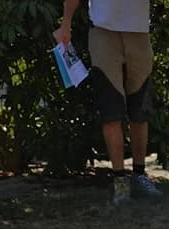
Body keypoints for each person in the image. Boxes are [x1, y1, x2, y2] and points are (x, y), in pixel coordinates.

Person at [54, 0, 162, 203]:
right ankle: (120, 181)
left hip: (139, 33)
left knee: (139, 110)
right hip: (103, 34)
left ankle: (139, 175)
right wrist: (65, 24)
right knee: (111, 111)